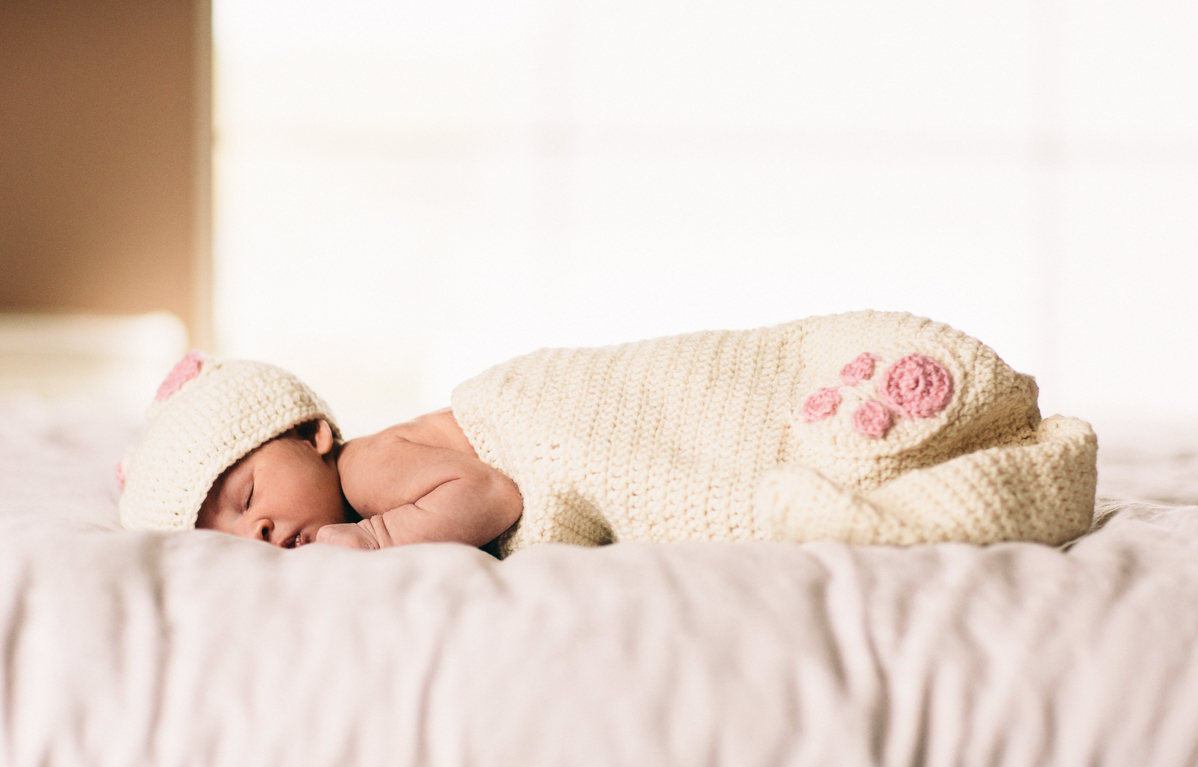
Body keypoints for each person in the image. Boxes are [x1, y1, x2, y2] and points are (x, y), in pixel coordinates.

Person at [118, 310, 1099, 556]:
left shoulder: (372, 465)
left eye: (248, 496)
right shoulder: (342, 470)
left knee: (733, 416)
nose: (256, 533)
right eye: (224, 530)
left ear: (317, 432)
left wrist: (372, 539)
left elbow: (497, 491)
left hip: (578, 412)